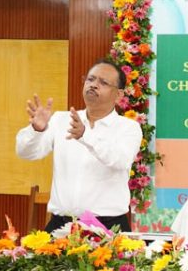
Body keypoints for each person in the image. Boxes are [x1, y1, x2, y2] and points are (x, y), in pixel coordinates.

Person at [16, 59, 142, 233]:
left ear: (119, 95)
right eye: (90, 79)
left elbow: (120, 161)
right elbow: (25, 153)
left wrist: (85, 135)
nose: (94, 85)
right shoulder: (61, 120)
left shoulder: (128, 128)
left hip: (108, 226)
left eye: (103, 82)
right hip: (61, 225)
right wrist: (37, 130)